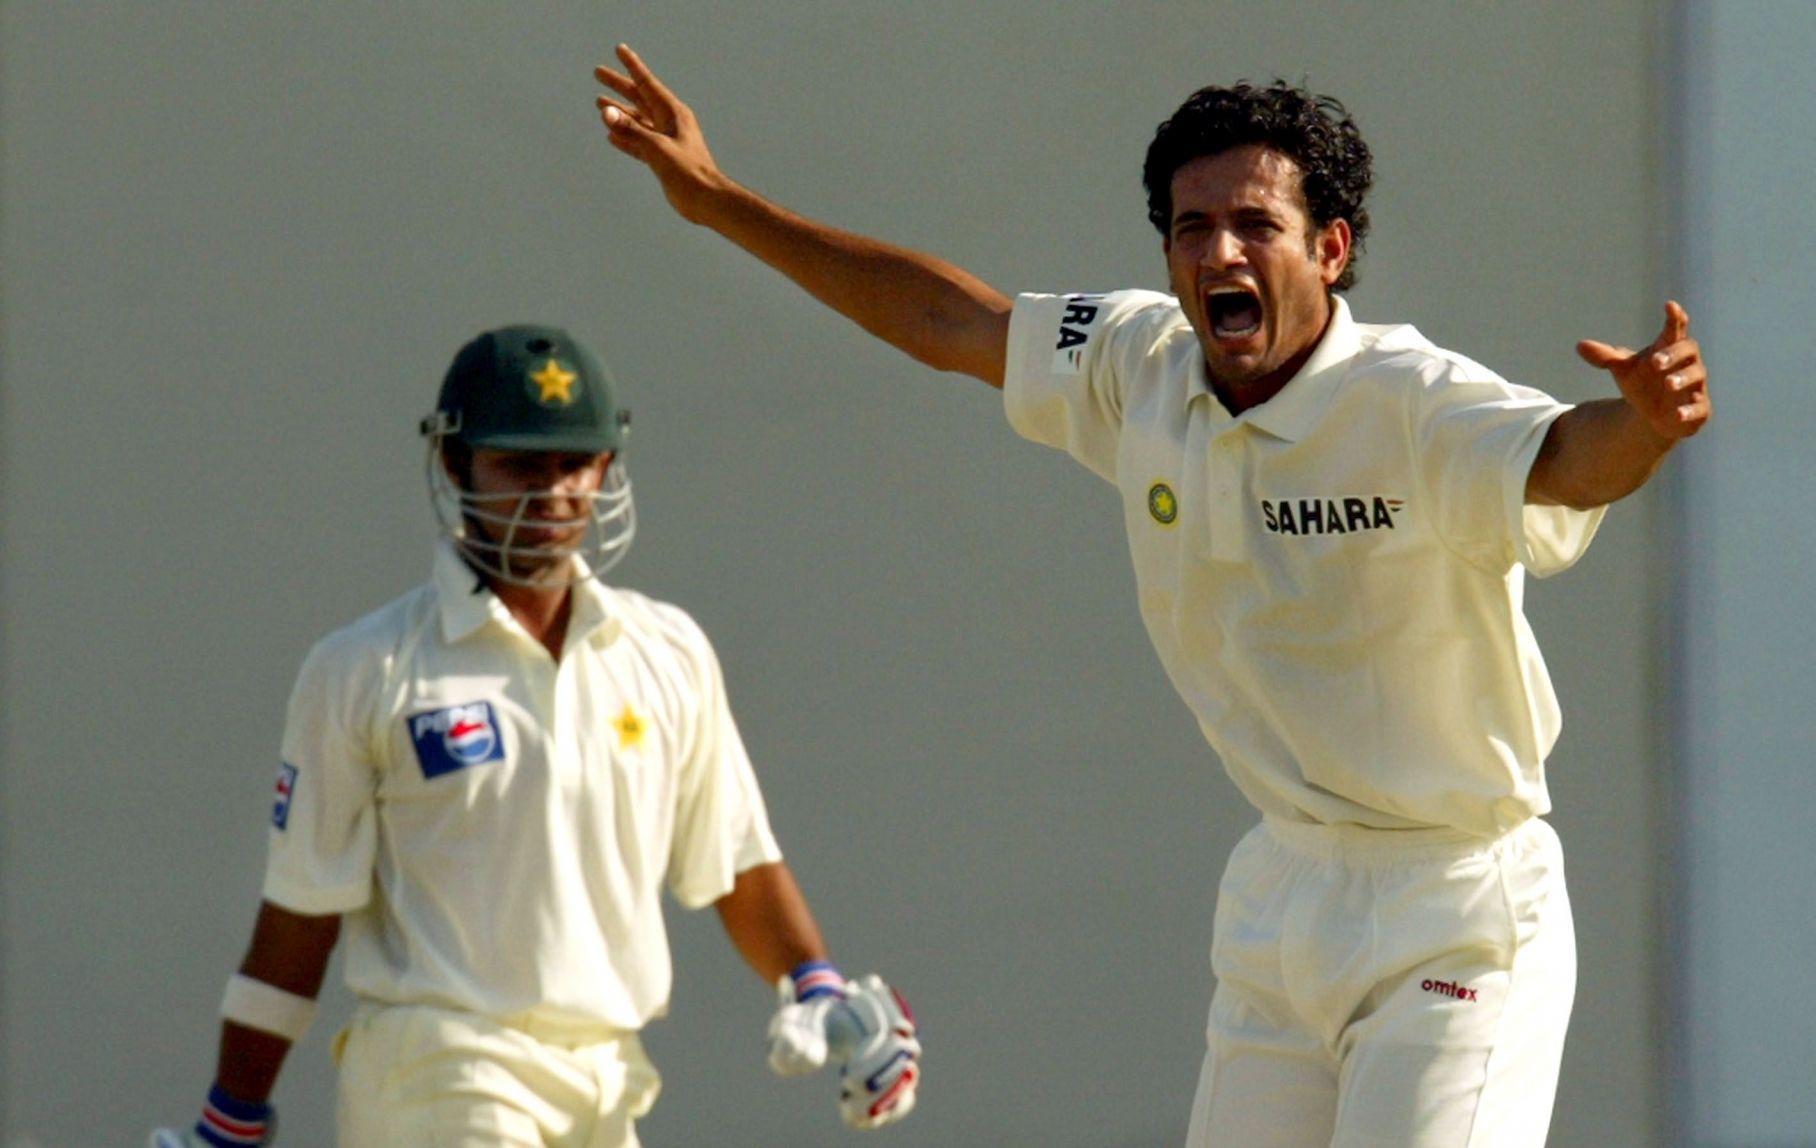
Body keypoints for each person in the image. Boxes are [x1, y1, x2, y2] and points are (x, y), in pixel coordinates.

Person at [592, 44, 1711, 1148]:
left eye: (1256, 226)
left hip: (1457, 903)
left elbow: (1568, 458)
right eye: (1191, 227)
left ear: (1331, 249)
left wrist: (1646, 425)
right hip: (1283, 888)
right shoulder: (1140, 361)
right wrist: (717, 204)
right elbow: (951, 322)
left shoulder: (1415, 403)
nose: (1218, 250)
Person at [153, 324, 920, 1148]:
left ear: (606, 468)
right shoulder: (366, 668)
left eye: (572, 465)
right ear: (455, 465)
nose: (551, 494)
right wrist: (229, 1120)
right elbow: (301, 912)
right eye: (519, 464)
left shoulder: (667, 651)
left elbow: (736, 861)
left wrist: (816, 987)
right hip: (444, 1069)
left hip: (610, 1078)